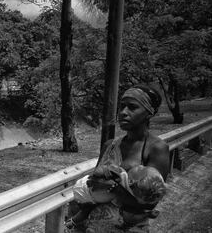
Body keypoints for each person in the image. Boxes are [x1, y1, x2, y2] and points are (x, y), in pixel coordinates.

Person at [69, 85, 170, 233]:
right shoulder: (110, 146)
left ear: (149, 113)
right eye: (122, 106)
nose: (123, 112)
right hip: (94, 227)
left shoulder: (156, 148)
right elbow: (93, 183)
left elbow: (150, 202)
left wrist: (114, 189)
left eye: (132, 107)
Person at [67, 164, 167, 229]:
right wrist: (98, 179)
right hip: (85, 189)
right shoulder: (120, 178)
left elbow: (130, 213)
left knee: (85, 212)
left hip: (91, 198)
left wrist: (146, 213)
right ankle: (71, 223)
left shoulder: (125, 192)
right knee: (85, 212)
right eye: (141, 200)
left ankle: (71, 223)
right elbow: (102, 169)